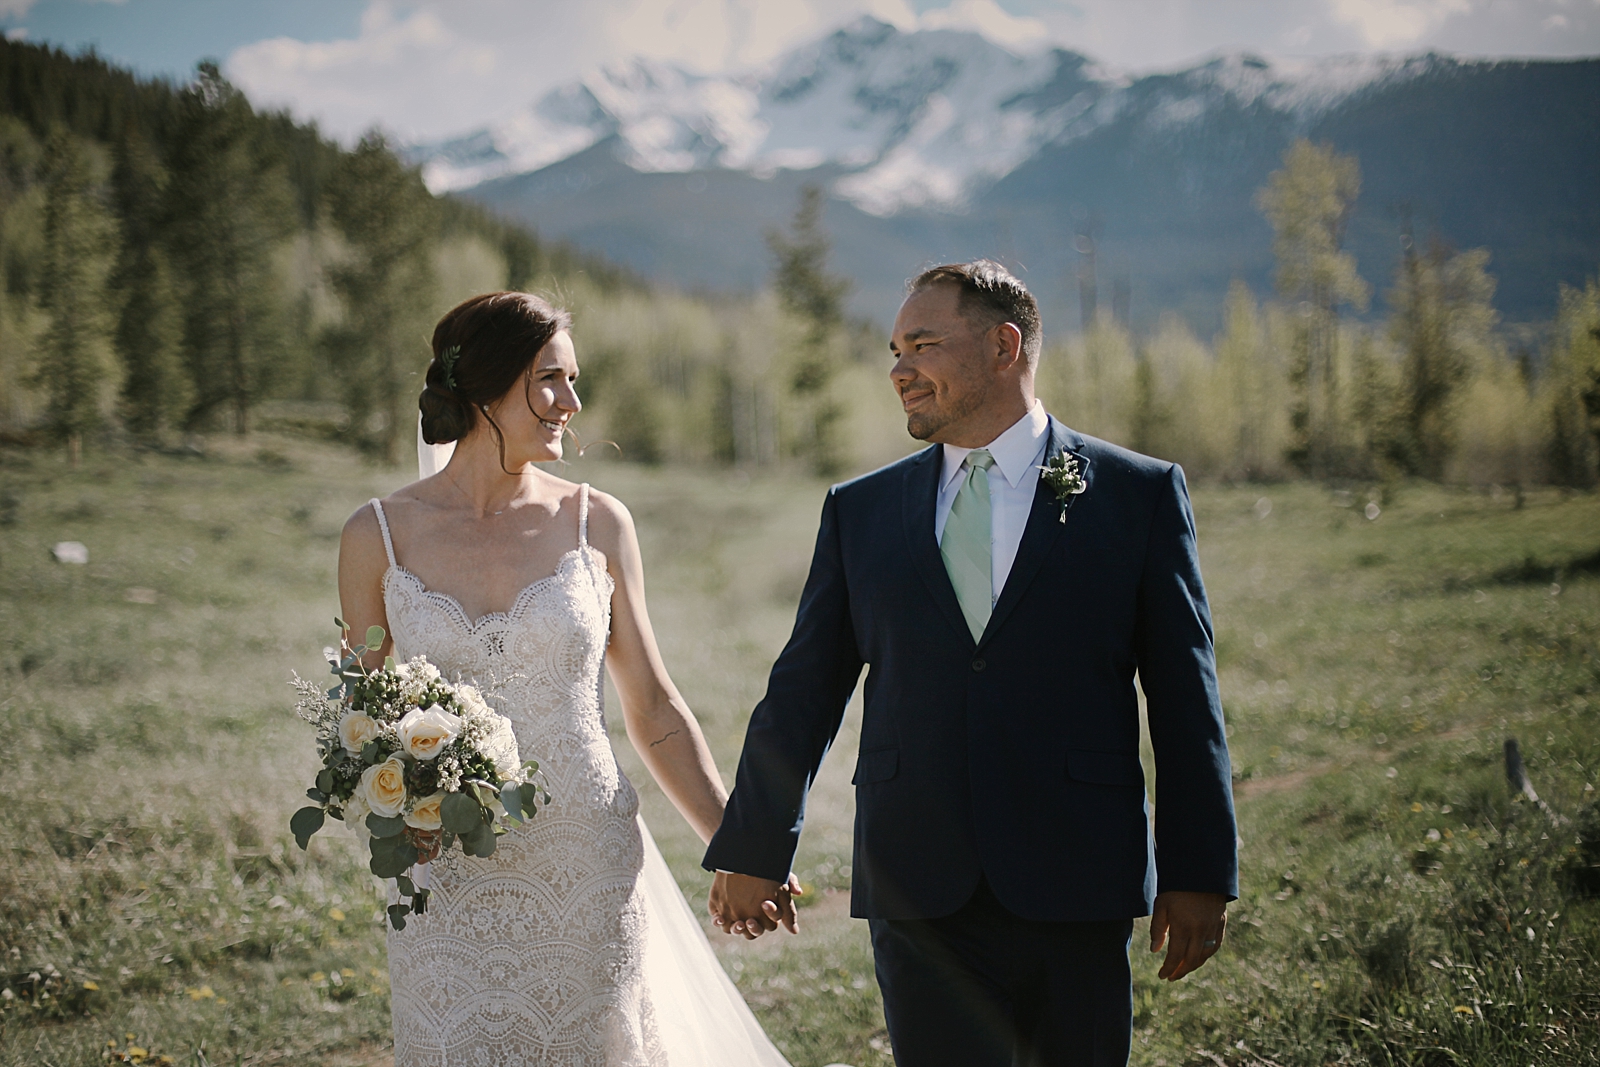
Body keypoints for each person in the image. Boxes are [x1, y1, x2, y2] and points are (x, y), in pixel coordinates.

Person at [704, 261, 1238, 1066]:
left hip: (1077, 876)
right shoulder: (861, 511)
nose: (898, 370)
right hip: (917, 881)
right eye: (893, 349)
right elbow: (806, 688)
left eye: (922, 344)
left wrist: (1198, 867)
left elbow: (1183, 691)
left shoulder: (1137, 495)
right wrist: (754, 845)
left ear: (1003, 346)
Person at [338, 291, 791, 1067]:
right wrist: (404, 801)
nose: (572, 404)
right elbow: (365, 719)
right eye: (551, 378)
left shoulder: (598, 521)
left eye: (573, 380)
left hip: (584, 865)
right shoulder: (376, 534)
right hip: (445, 878)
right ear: (485, 382)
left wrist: (737, 843)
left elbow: (653, 707)